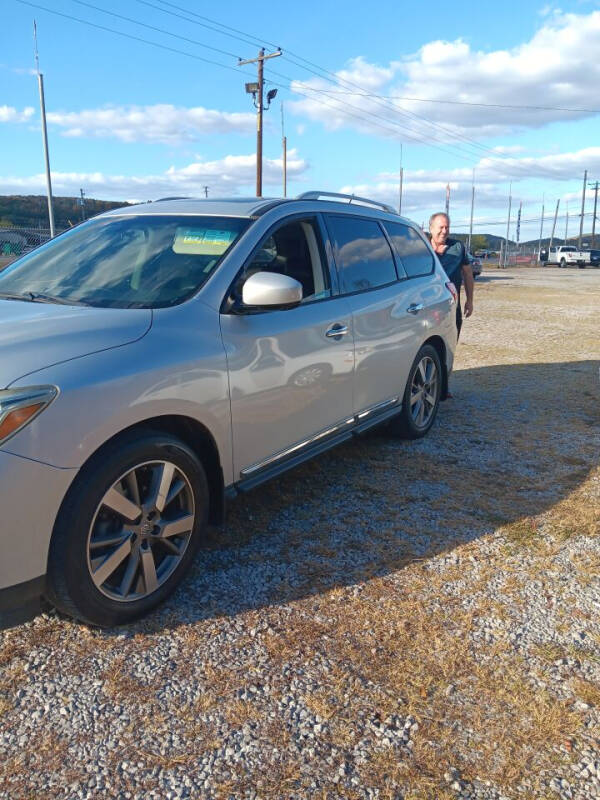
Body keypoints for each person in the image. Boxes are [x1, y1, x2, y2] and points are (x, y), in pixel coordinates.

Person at [428, 211, 474, 397]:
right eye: (441, 227)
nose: (444, 231)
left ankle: (443, 388)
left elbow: (468, 274)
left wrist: (470, 300)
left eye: (447, 227)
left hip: (450, 307)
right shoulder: (420, 247)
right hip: (426, 307)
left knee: (448, 347)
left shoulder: (458, 247)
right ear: (431, 228)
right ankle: (428, 384)